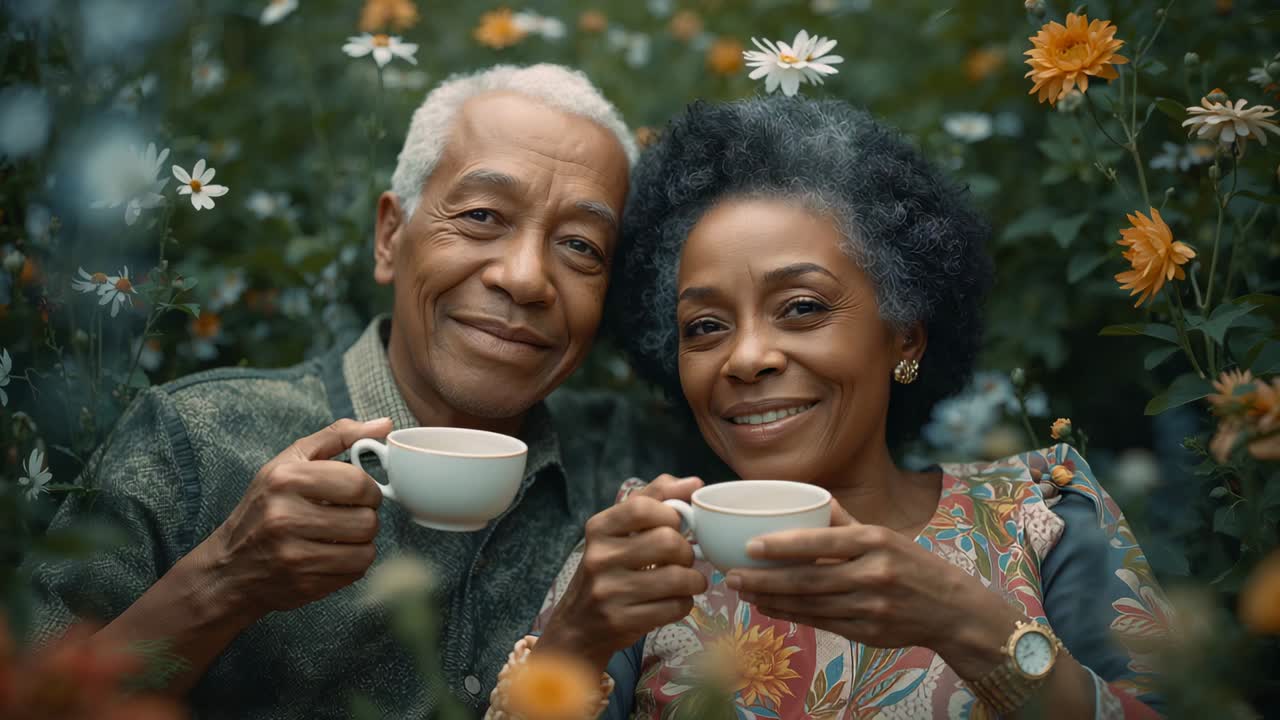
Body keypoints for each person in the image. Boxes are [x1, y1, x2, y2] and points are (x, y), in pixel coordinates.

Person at [27, 64, 700, 718]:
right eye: (483, 216)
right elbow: (34, 698)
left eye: (581, 246)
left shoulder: (638, 470)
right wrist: (226, 579)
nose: (525, 278)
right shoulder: (197, 442)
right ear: (389, 236)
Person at [519, 97, 1171, 719]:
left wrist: (965, 621)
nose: (745, 358)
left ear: (905, 334)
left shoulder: (1042, 514)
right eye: (705, 326)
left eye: (802, 308)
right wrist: (575, 637)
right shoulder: (647, 552)